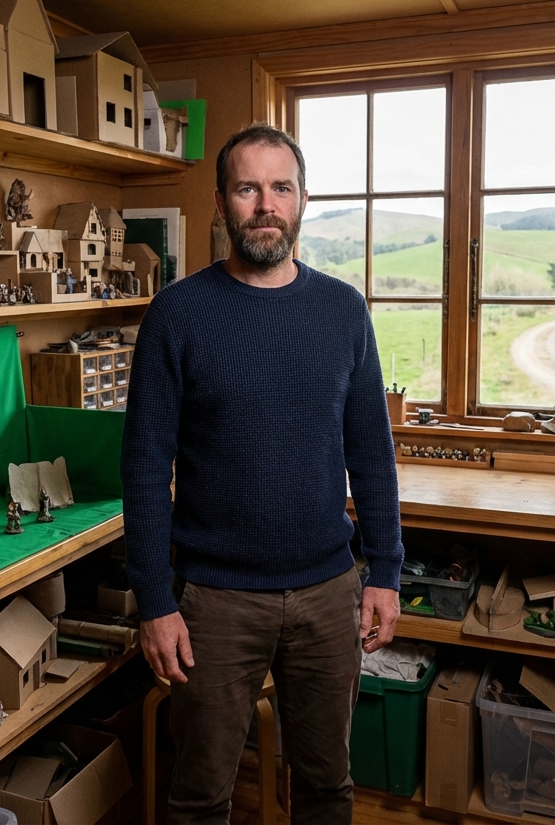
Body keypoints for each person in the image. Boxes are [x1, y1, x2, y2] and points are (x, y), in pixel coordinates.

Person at [122, 122, 403, 824]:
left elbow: (371, 451)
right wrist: (155, 601)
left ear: (303, 199)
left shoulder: (343, 311)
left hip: (328, 592)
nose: (266, 205)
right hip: (214, 601)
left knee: (327, 788)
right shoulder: (177, 315)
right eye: (248, 188)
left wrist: (388, 572)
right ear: (220, 203)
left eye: (281, 188)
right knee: (199, 797)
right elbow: (145, 469)